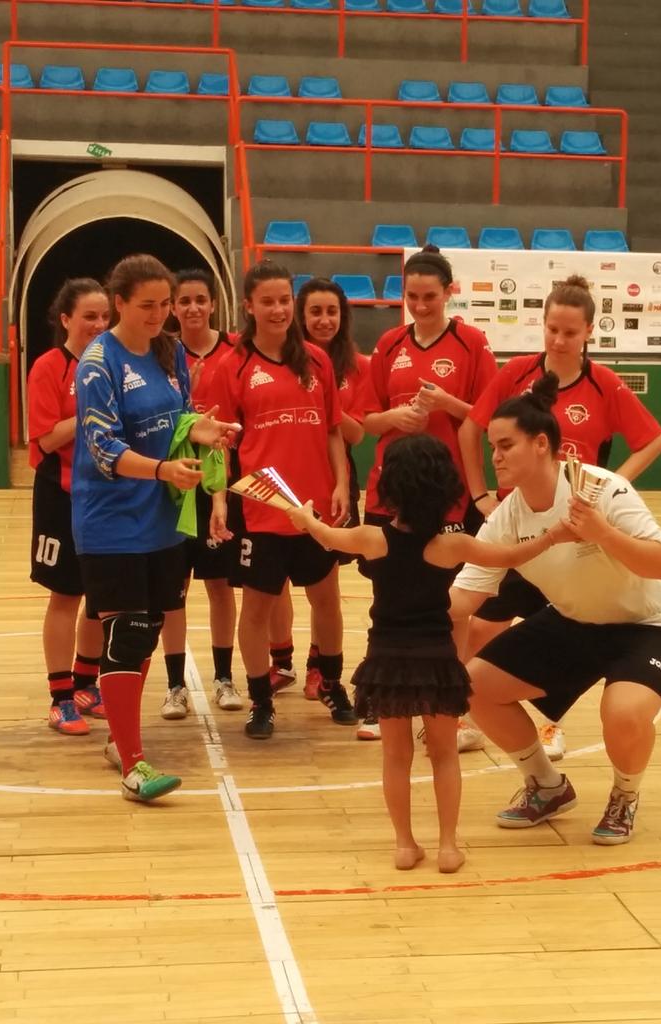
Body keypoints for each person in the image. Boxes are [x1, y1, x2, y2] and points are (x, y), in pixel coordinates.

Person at [287, 434, 571, 873]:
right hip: (438, 660)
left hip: (386, 660)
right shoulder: (451, 546)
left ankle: (404, 844)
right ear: (444, 489)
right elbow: (512, 553)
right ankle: (448, 847)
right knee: (442, 754)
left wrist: (303, 517)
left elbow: (326, 536)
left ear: (391, 488)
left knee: (395, 756)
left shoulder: (371, 538)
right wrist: (555, 534)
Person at [450, 374, 661, 845]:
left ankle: (625, 795)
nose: (494, 457)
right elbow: (463, 601)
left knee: (622, 714)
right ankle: (547, 785)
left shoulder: (602, 488)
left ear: (541, 444)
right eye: (492, 447)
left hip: (649, 625)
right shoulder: (505, 517)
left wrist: (603, 534)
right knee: (474, 685)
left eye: (505, 446)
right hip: (575, 622)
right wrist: (409, 584)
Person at [457, 273, 661, 761]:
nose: (558, 339)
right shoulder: (516, 375)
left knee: (561, 630)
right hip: (519, 526)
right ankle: (465, 712)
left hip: (574, 535)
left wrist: (615, 483)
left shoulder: (603, 383)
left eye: (570, 332)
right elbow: (473, 428)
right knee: (486, 623)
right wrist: (480, 494)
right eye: (552, 328)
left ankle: (552, 723)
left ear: (589, 332)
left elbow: (654, 439)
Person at [73, 254, 237, 802]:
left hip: (165, 518)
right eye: (148, 306)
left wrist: (207, 429)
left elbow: (181, 416)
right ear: (118, 303)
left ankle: (123, 739)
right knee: (129, 634)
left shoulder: (169, 352)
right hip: (112, 521)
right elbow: (102, 448)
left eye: (166, 304)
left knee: (143, 635)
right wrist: (163, 468)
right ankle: (134, 764)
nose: (161, 314)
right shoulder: (97, 363)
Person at [357, 244, 498, 742]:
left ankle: (450, 702)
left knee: (450, 604)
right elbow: (363, 419)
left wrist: (447, 403)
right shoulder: (390, 344)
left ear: (449, 293)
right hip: (391, 493)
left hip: (447, 495)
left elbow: (491, 415)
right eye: (412, 296)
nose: (420, 305)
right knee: (387, 598)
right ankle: (386, 696)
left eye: (430, 297)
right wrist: (394, 419)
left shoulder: (472, 344)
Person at [209, 259, 354, 739]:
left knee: (326, 600)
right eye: (266, 301)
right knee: (257, 609)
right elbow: (221, 446)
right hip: (262, 511)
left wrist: (340, 483)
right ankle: (261, 700)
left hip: (315, 510)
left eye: (282, 300)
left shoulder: (317, 360)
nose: (277, 310)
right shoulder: (234, 366)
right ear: (248, 306)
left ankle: (332, 684)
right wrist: (221, 500)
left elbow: (334, 430)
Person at [267, 277, 369, 701]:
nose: (324, 320)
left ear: (342, 317)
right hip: (282, 478)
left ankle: (317, 667)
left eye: (332, 312)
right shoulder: (278, 359)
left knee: (322, 586)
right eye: (315, 312)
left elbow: (357, 434)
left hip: (333, 484)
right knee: (274, 584)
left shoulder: (355, 366)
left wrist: (329, 402)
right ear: (299, 315)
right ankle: (281, 661)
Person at [159, 268, 244, 720]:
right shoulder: (162, 353)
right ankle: (175, 686)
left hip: (221, 482)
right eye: (184, 301)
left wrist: (222, 492)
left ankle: (224, 677)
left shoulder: (235, 351)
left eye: (200, 300)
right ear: (173, 307)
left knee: (219, 585)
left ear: (213, 304)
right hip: (174, 485)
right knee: (174, 590)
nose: (192, 308)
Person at [28, 279, 109, 735]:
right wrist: (89, 412)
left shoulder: (116, 363)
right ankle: (61, 697)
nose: (99, 325)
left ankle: (86, 683)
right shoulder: (48, 367)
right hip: (61, 493)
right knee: (66, 594)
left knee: (100, 596)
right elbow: (44, 437)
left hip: (109, 495)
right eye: (89, 317)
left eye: (104, 317)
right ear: (65, 320)